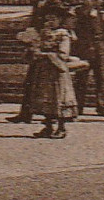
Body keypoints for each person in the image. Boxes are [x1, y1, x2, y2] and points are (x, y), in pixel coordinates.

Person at [10, 0, 63, 122]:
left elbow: (58, 24)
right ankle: (26, 113)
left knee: (43, 82)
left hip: (48, 48)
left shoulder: (54, 3)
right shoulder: (37, 3)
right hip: (37, 47)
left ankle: (51, 116)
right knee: (30, 80)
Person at [27, 10, 82, 138]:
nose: (50, 22)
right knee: (46, 98)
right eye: (48, 19)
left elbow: (63, 54)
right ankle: (48, 127)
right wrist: (33, 50)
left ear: (60, 20)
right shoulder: (44, 33)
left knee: (58, 98)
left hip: (57, 71)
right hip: (44, 71)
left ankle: (61, 128)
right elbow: (37, 47)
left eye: (53, 19)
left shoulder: (63, 35)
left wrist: (46, 54)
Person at [70, 0, 104, 116]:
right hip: (84, 49)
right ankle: (78, 106)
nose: (99, 1)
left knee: (101, 78)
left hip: (98, 49)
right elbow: (73, 29)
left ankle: (101, 106)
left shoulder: (99, 13)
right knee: (82, 78)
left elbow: (102, 31)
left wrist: (101, 45)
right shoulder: (78, 12)